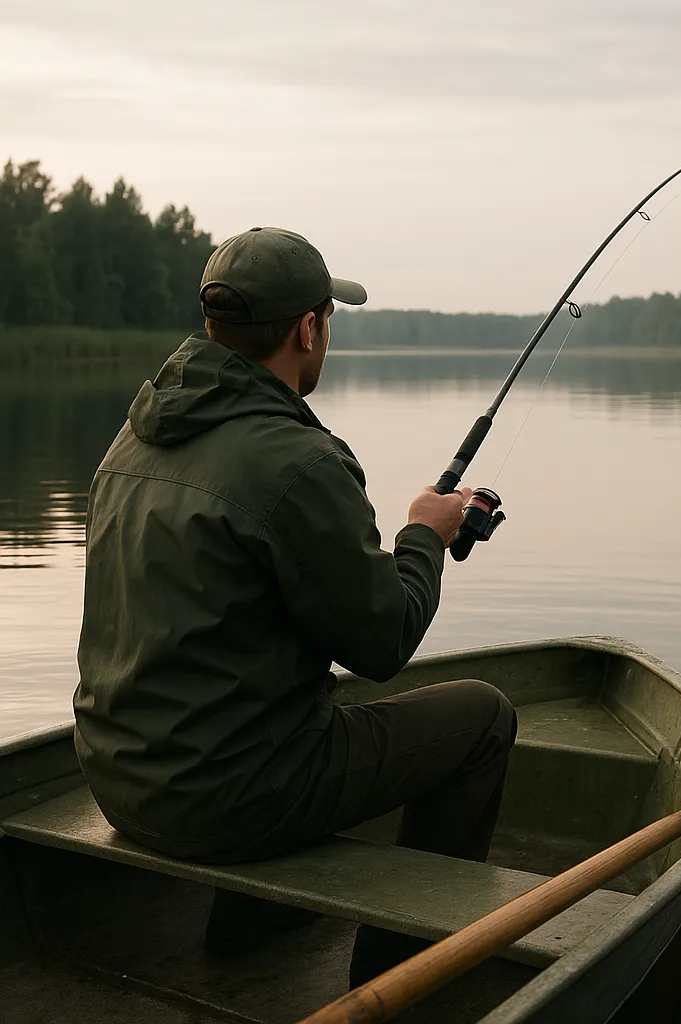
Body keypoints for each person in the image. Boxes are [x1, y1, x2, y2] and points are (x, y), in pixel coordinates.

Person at [72, 226, 518, 974]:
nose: (326, 335)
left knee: (306, 706)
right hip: (224, 800)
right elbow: (383, 644)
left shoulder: (132, 438)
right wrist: (421, 536)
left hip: (117, 779)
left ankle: (249, 922)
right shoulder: (301, 463)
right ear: (308, 328)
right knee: (482, 718)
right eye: (328, 320)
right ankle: (399, 971)